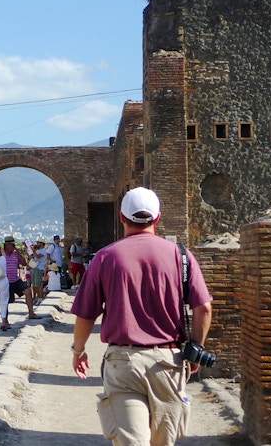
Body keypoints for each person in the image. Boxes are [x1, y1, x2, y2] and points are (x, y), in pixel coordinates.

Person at [71, 187, 213, 446]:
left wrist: (78, 351)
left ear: (122, 218)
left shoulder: (105, 258)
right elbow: (204, 308)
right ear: (157, 218)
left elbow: (85, 316)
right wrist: (196, 349)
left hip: (123, 362)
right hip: (168, 361)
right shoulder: (181, 257)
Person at [2, 236, 40, 321]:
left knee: (28, 291)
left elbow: (24, 263)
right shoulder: (2, 254)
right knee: (6, 301)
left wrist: (19, 254)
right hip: (6, 281)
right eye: (12, 245)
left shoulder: (15, 254)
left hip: (15, 280)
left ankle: (31, 313)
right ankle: (5, 320)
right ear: (7, 245)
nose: (13, 246)